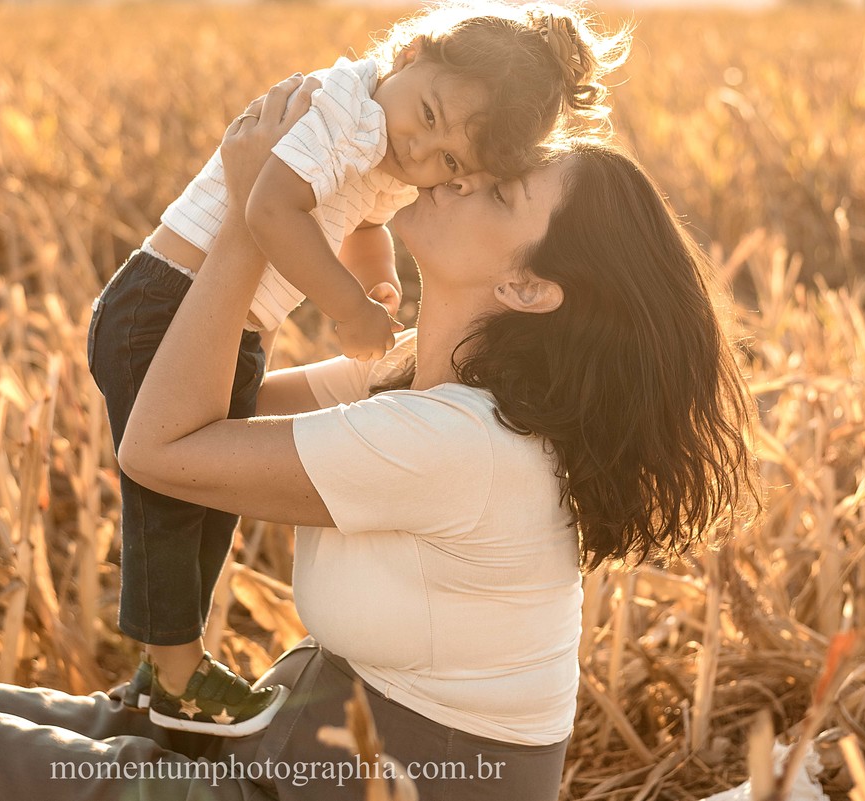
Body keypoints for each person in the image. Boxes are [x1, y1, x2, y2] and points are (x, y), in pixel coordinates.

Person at [0, 74, 758, 801]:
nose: (460, 171)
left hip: (353, 784)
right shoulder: (410, 384)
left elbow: (161, 449)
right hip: (311, 744)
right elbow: (190, 402)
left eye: (502, 186)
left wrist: (254, 219)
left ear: (527, 284)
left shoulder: (457, 445)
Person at [88, 0, 627, 737]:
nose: (426, 155)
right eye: (430, 115)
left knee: (206, 495)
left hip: (225, 320)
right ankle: (176, 673)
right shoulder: (350, 115)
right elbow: (270, 208)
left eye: (453, 164)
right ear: (407, 55)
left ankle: (170, 671)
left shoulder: (389, 148)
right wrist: (347, 310)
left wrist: (377, 283)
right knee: (177, 504)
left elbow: (368, 220)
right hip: (168, 304)